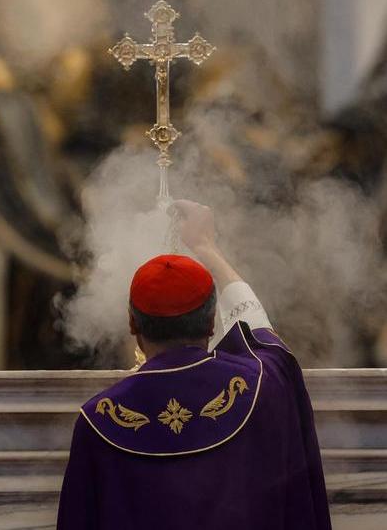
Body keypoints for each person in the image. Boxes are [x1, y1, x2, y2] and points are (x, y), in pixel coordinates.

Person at [57, 200, 332, 530]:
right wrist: (206, 247)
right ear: (213, 323)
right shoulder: (261, 389)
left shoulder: (99, 421)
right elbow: (264, 336)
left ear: (132, 323)